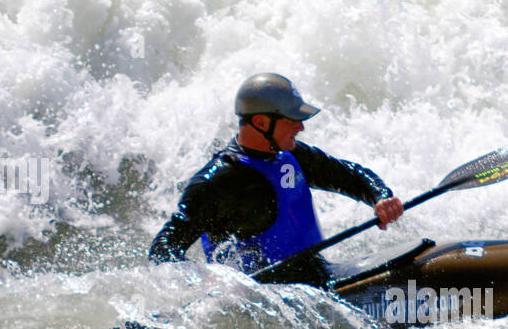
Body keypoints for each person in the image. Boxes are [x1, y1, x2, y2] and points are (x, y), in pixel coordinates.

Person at [149, 73, 404, 285]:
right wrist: (213, 280)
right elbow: (163, 250)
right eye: (292, 120)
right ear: (261, 122)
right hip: (270, 303)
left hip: (317, 277)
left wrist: (380, 198)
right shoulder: (216, 182)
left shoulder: (293, 155)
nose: (301, 127)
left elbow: (350, 175)